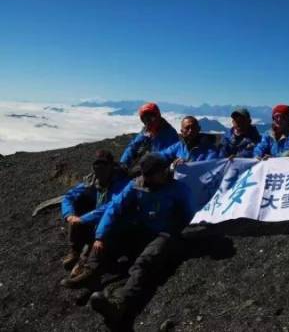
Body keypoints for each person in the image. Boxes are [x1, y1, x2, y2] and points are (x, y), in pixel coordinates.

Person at [65, 154, 193, 324]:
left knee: (144, 262)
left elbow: (190, 214)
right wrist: (100, 236)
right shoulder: (136, 185)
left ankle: (120, 303)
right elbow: (113, 209)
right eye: (148, 176)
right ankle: (91, 272)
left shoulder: (178, 189)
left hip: (165, 234)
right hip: (141, 230)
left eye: (156, 174)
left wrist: (178, 231)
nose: (148, 180)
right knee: (109, 236)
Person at [60, 150, 129, 272]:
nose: (99, 169)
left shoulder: (121, 183)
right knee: (78, 204)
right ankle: (76, 251)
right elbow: (69, 197)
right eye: (96, 165)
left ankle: (90, 263)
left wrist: (84, 219)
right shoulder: (92, 181)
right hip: (96, 219)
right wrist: (69, 215)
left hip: (116, 223)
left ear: (111, 165)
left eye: (103, 164)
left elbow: (111, 207)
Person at [119, 103, 179, 172]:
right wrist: (123, 163)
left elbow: (168, 155)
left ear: (158, 116)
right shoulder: (146, 130)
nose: (148, 122)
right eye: (145, 119)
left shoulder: (169, 133)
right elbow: (133, 145)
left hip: (161, 170)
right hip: (148, 165)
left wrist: (142, 166)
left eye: (151, 118)